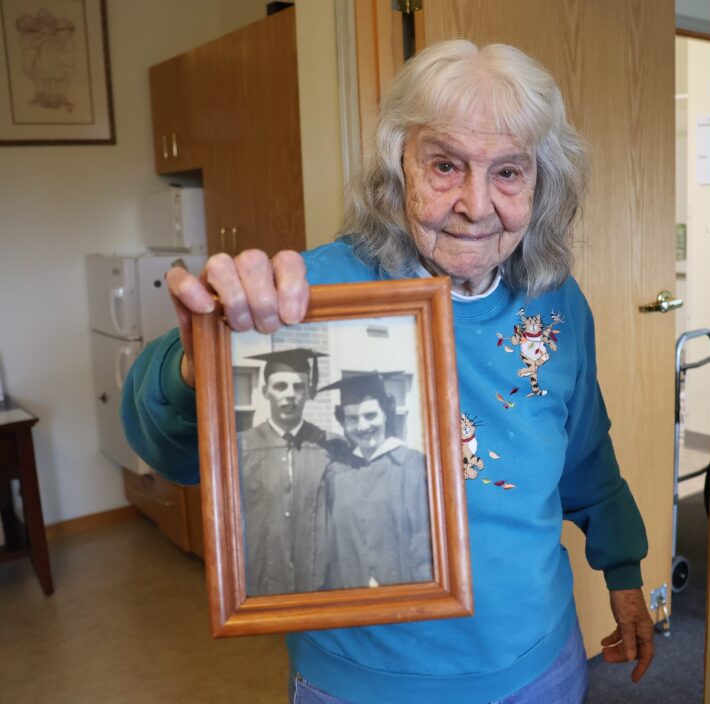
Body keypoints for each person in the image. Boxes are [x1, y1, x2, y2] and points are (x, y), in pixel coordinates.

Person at [122, 39, 653, 704]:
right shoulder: (310, 294)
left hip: (538, 664)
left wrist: (624, 572)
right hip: (364, 685)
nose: (476, 203)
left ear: (541, 182)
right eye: (445, 165)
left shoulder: (557, 301)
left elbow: (585, 456)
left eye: (509, 172)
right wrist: (195, 367)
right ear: (398, 165)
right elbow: (169, 451)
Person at [238, 348, 340, 595]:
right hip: (261, 574)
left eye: (299, 386)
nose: (290, 395)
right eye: (280, 386)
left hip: (318, 577)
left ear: (308, 392)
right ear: (265, 392)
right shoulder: (241, 446)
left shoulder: (331, 445)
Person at [316, 372, 432, 591]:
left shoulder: (413, 466)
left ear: (386, 414)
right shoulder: (337, 474)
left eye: (370, 415)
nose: (362, 426)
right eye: (352, 418)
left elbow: (424, 543)